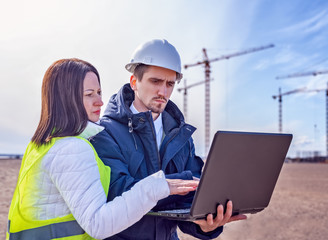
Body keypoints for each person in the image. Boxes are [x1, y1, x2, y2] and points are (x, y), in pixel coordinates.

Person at [6, 58, 199, 240]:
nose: (99, 101)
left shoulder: (44, 144)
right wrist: (158, 186)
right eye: (89, 94)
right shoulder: (72, 148)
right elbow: (98, 223)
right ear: (64, 99)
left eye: (99, 92)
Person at [91, 39, 246, 240]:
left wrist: (206, 226)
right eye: (155, 81)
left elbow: (189, 203)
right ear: (134, 82)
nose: (163, 92)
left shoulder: (180, 136)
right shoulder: (105, 132)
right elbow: (117, 191)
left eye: (170, 84)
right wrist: (170, 185)